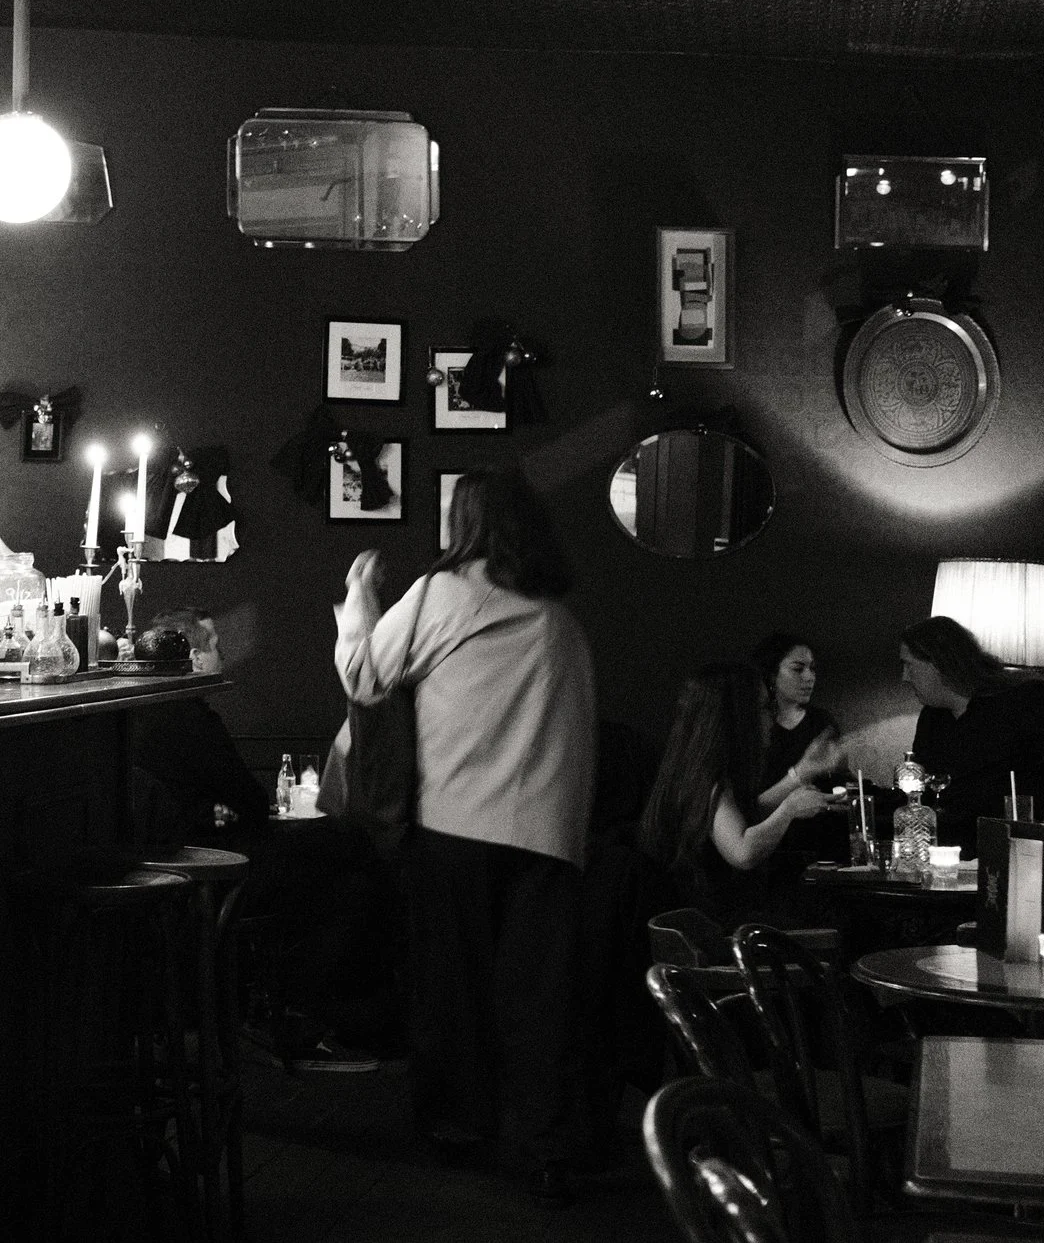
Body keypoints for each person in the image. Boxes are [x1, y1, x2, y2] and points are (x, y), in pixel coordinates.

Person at [334, 469, 596, 1204]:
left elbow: (364, 675)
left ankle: (459, 1131)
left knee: (452, 992)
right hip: (549, 831)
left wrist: (359, 603)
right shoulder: (559, 619)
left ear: (467, 522)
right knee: (542, 998)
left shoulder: (439, 594)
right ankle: (550, 1144)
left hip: (455, 823)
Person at [129, 608, 388, 1072]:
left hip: (176, 863)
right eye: (215, 648)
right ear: (194, 658)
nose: (222, 656)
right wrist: (226, 813)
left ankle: (296, 1012)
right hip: (211, 871)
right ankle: (305, 1019)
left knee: (335, 854)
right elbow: (246, 801)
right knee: (346, 862)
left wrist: (220, 812)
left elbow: (219, 804)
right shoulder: (191, 717)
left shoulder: (145, 715)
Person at [638, 663, 838, 925]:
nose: (773, 718)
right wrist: (789, 809)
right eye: (766, 708)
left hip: (709, 926)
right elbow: (742, 852)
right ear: (738, 717)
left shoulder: (695, 772)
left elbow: (742, 815)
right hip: (722, 934)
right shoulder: (710, 781)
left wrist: (801, 773)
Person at [901, 616, 1044, 855]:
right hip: (952, 849)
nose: (905, 677)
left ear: (938, 663)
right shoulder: (933, 717)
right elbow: (924, 788)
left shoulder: (1031, 700)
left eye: (909, 665)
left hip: (1023, 847)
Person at [748, 633, 852, 861]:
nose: (809, 677)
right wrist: (801, 774)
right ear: (771, 673)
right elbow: (749, 809)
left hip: (822, 839)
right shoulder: (752, 727)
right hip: (770, 845)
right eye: (798, 669)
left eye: (812, 669)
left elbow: (837, 780)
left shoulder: (820, 721)